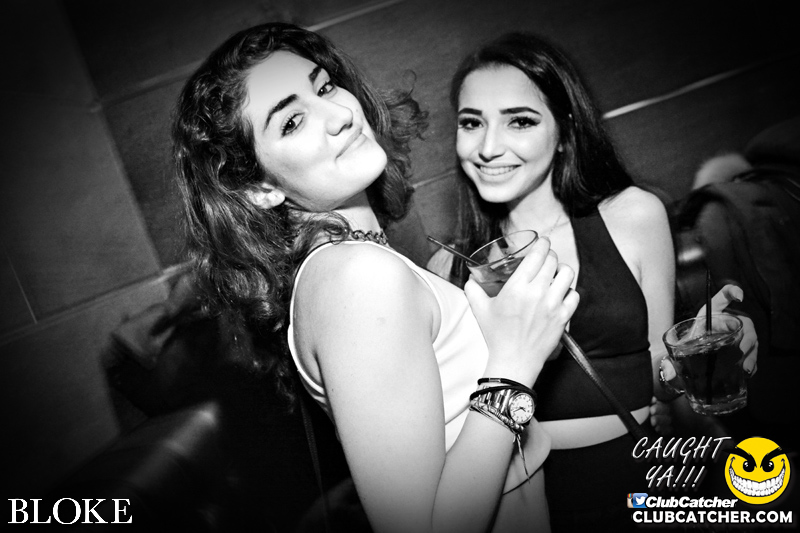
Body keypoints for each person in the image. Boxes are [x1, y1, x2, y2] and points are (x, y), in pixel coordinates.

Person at [172, 22, 580, 532]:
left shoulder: (349, 265)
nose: (342, 114)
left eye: (325, 87)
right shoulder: (358, 278)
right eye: (293, 121)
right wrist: (515, 364)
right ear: (258, 187)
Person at [427, 32, 758, 530]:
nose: (489, 148)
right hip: (522, 505)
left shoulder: (633, 215)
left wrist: (696, 351)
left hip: (637, 481)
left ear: (564, 130)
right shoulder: (448, 270)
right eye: (471, 123)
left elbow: (659, 374)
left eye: (520, 121)